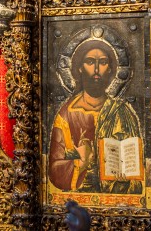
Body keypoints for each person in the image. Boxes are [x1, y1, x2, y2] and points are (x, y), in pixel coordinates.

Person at [48, 38, 144, 194]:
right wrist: (81, 161)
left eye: (103, 62)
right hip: (77, 195)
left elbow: (134, 168)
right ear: (79, 68)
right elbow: (54, 168)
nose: (97, 70)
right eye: (90, 62)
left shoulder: (122, 111)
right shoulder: (66, 114)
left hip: (116, 195)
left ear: (111, 70)